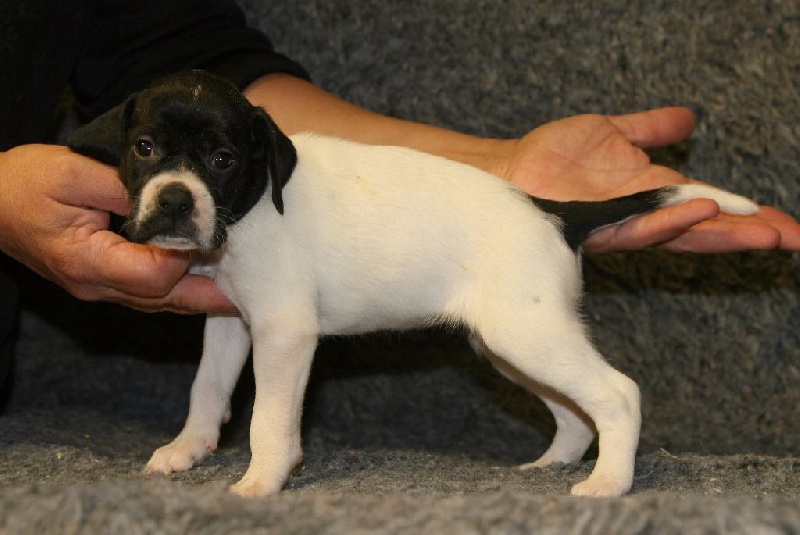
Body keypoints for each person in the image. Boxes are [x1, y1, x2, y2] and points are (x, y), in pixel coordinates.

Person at [1, 1, 799, 393]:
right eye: (147, 151)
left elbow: (206, 68)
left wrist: (502, 166)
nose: (180, 183)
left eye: (215, 160)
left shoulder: (262, 172)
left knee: (521, 343)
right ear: (114, 138)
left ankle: (608, 417)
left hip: (487, 241)